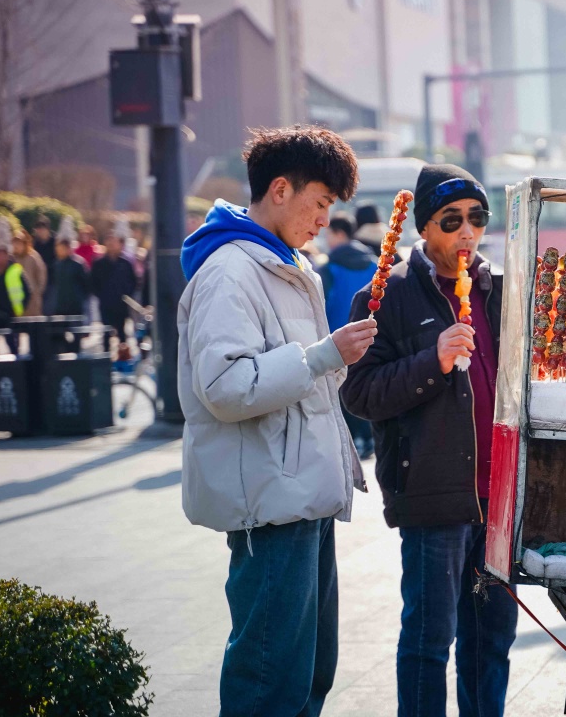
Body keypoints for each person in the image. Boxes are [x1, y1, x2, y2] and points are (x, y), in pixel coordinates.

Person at [178, 125, 376, 716]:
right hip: (270, 502)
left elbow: (301, 380)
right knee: (270, 680)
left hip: (303, 494)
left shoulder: (286, 264)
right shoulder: (230, 271)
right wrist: (323, 356)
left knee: (308, 674)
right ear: (281, 189)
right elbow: (224, 387)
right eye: (320, 202)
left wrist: (332, 359)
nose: (324, 220)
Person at [342, 164, 517, 717]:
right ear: (424, 227)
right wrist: (432, 361)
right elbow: (359, 392)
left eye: (477, 218)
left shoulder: (501, 289)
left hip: (497, 504)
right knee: (428, 641)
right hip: (433, 499)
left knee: (490, 640)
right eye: (451, 220)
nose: (467, 231)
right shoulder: (388, 294)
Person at [317, 214, 378, 459]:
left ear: (339, 234)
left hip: (337, 341)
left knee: (342, 391)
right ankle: (370, 437)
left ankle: (355, 440)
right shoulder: (375, 264)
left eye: (329, 234)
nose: (327, 239)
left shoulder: (328, 268)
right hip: (372, 336)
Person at [89, 234, 138, 353]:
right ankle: (106, 356)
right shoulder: (99, 263)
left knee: (122, 332)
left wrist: (126, 294)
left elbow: (133, 281)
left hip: (122, 303)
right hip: (105, 303)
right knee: (106, 331)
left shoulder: (125, 263)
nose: (112, 246)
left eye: (114, 243)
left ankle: (123, 356)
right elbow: (92, 282)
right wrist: (101, 295)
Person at [12, 229, 48, 318]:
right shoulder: (11, 259)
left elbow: (42, 275)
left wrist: (38, 292)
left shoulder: (33, 257)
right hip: (16, 299)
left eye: (19, 243)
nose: (16, 246)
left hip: (33, 300)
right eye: (14, 243)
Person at [32, 216, 56, 285]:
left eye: (42, 229)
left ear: (48, 230)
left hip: (52, 278)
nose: (40, 231)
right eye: (38, 229)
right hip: (38, 278)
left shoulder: (55, 243)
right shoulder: (34, 243)